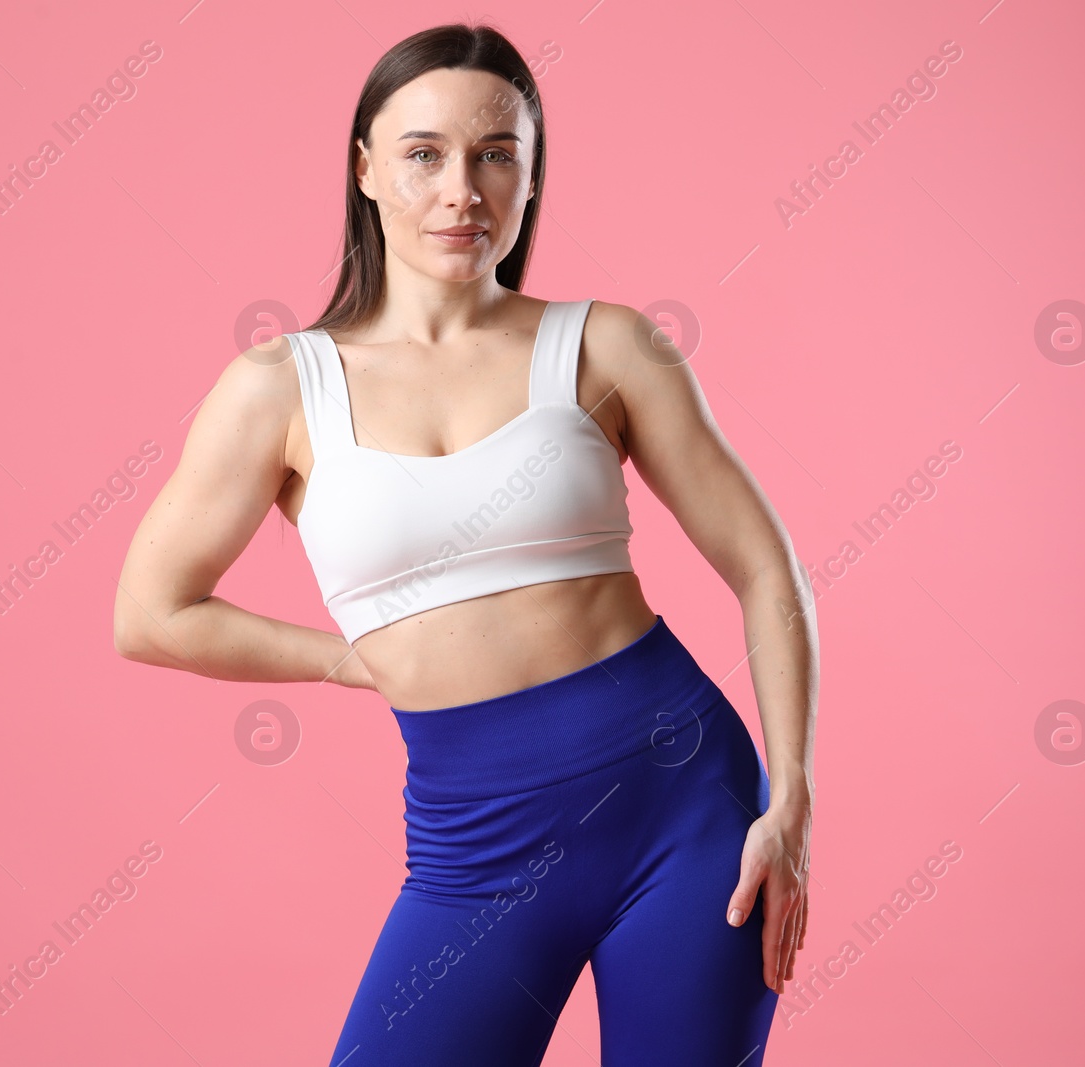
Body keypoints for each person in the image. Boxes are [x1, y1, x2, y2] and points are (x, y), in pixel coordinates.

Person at [113, 21, 818, 1067]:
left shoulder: (606, 345)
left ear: (529, 178)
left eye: (498, 155)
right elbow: (150, 613)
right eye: (424, 153)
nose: (462, 190)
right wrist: (345, 661)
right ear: (362, 167)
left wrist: (792, 794)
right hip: (474, 842)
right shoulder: (277, 390)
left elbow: (765, 566)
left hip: (690, 809)